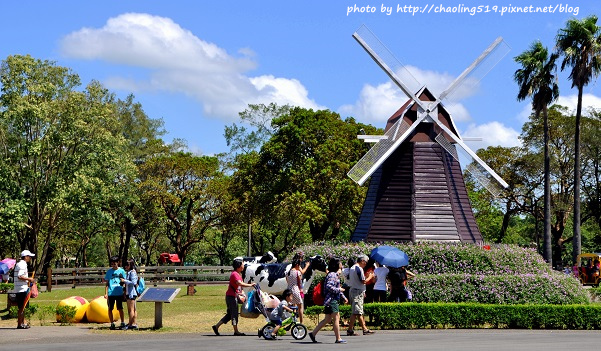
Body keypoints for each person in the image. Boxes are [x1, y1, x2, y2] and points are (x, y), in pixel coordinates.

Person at [309, 257, 348, 344]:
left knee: (327, 319)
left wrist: (343, 297)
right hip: (332, 300)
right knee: (336, 317)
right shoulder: (333, 275)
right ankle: (338, 338)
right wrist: (339, 290)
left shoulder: (333, 274)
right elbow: (329, 287)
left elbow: (335, 288)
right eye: (340, 263)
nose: (341, 264)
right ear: (337, 265)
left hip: (329, 300)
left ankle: (313, 333)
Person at [212, 259, 256, 336]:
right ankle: (236, 331)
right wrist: (251, 285)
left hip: (232, 296)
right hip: (231, 297)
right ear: (238, 266)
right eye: (242, 264)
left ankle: (216, 326)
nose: (243, 266)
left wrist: (243, 294)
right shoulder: (235, 274)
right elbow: (239, 283)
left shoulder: (238, 274)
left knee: (229, 314)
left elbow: (239, 288)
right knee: (234, 314)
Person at [346, 254, 375, 336]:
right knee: (357, 311)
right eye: (365, 262)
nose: (366, 264)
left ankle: (355, 329)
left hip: (354, 290)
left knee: (356, 312)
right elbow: (363, 281)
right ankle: (359, 329)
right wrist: (370, 276)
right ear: (362, 261)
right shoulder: (359, 269)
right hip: (357, 292)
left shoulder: (352, 268)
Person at [14, 250, 35, 329]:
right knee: (22, 307)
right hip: (21, 289)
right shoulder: (23, 264)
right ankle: (20, 324)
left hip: (19, 288)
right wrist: (29, 279)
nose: (30, 258)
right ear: (25, 257)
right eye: (29, 257)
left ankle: (22, 323)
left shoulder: (19, 264)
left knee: (22, 307)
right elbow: (20, 276)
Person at [104, 256, 126, 330]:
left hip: (119, 292)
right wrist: (106, 293)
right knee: (110, 308)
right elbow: (107, 283)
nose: (113, 265)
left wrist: (124, 291)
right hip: (111, 293)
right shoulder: (109, 272)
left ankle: (122, 322)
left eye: (115, 263)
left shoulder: (122, 271)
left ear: (118, 263)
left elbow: (124, 282)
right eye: (112, 264)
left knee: (120, 308)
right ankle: (112, 323)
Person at [286, 258, 309, 323]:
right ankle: (301, 322)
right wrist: (301, 290)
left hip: (289, 290)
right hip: (295, 290)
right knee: (300, 307)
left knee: (291, 306)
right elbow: (299, 282)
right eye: (299, 265)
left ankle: (292, 320)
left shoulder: (288, 273)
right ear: (296, 265)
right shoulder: (297, 272)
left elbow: (288, 281)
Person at [120, 258, 138, 330]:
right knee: (133, 309)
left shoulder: (132, 272)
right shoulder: (129, 272)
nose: (126, 266)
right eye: (125, 265)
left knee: (131, 310)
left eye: (127, 265)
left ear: (131, 265)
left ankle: (130, 324)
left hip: (131, 293)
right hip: (129, 292)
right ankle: (133, 323)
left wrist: (124, 281)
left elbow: (133, 283)